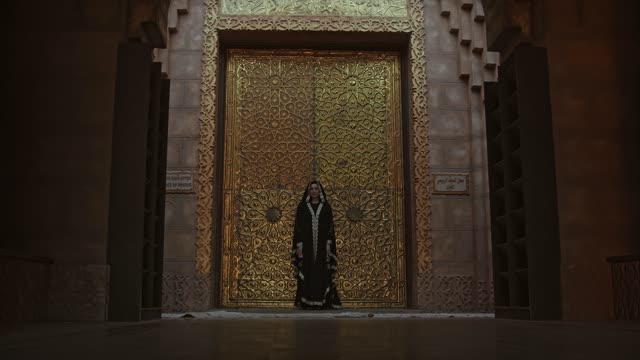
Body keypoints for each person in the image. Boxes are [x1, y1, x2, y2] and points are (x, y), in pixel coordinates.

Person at [291, 180, 342, 309]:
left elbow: (330, 226)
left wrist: (328, 244)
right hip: (307, 246)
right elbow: (299, 227)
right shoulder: (302, 207)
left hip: (321, 245)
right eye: (312, 189)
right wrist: (299, 245)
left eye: (316, 189)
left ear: (320, 191)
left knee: (321, 270)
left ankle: (323, 301)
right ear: (309, 192)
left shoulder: (326, 207)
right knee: (307, 269)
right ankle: (306, 301)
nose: (314, 191)